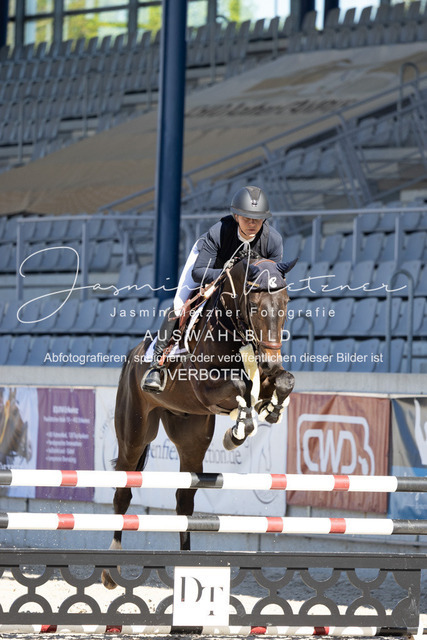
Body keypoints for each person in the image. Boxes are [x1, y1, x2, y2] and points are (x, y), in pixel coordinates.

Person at [141, 185, 284, 392]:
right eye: (247, 218)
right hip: (210, 269)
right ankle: (157, 365)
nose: (252, 223)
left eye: (258, 219)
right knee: (179, 306)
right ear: (236, 216)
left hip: (246, 286)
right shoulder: (219, 232)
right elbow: (198, 272)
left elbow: (272, 280)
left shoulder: (273, 241)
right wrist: (227, 274)